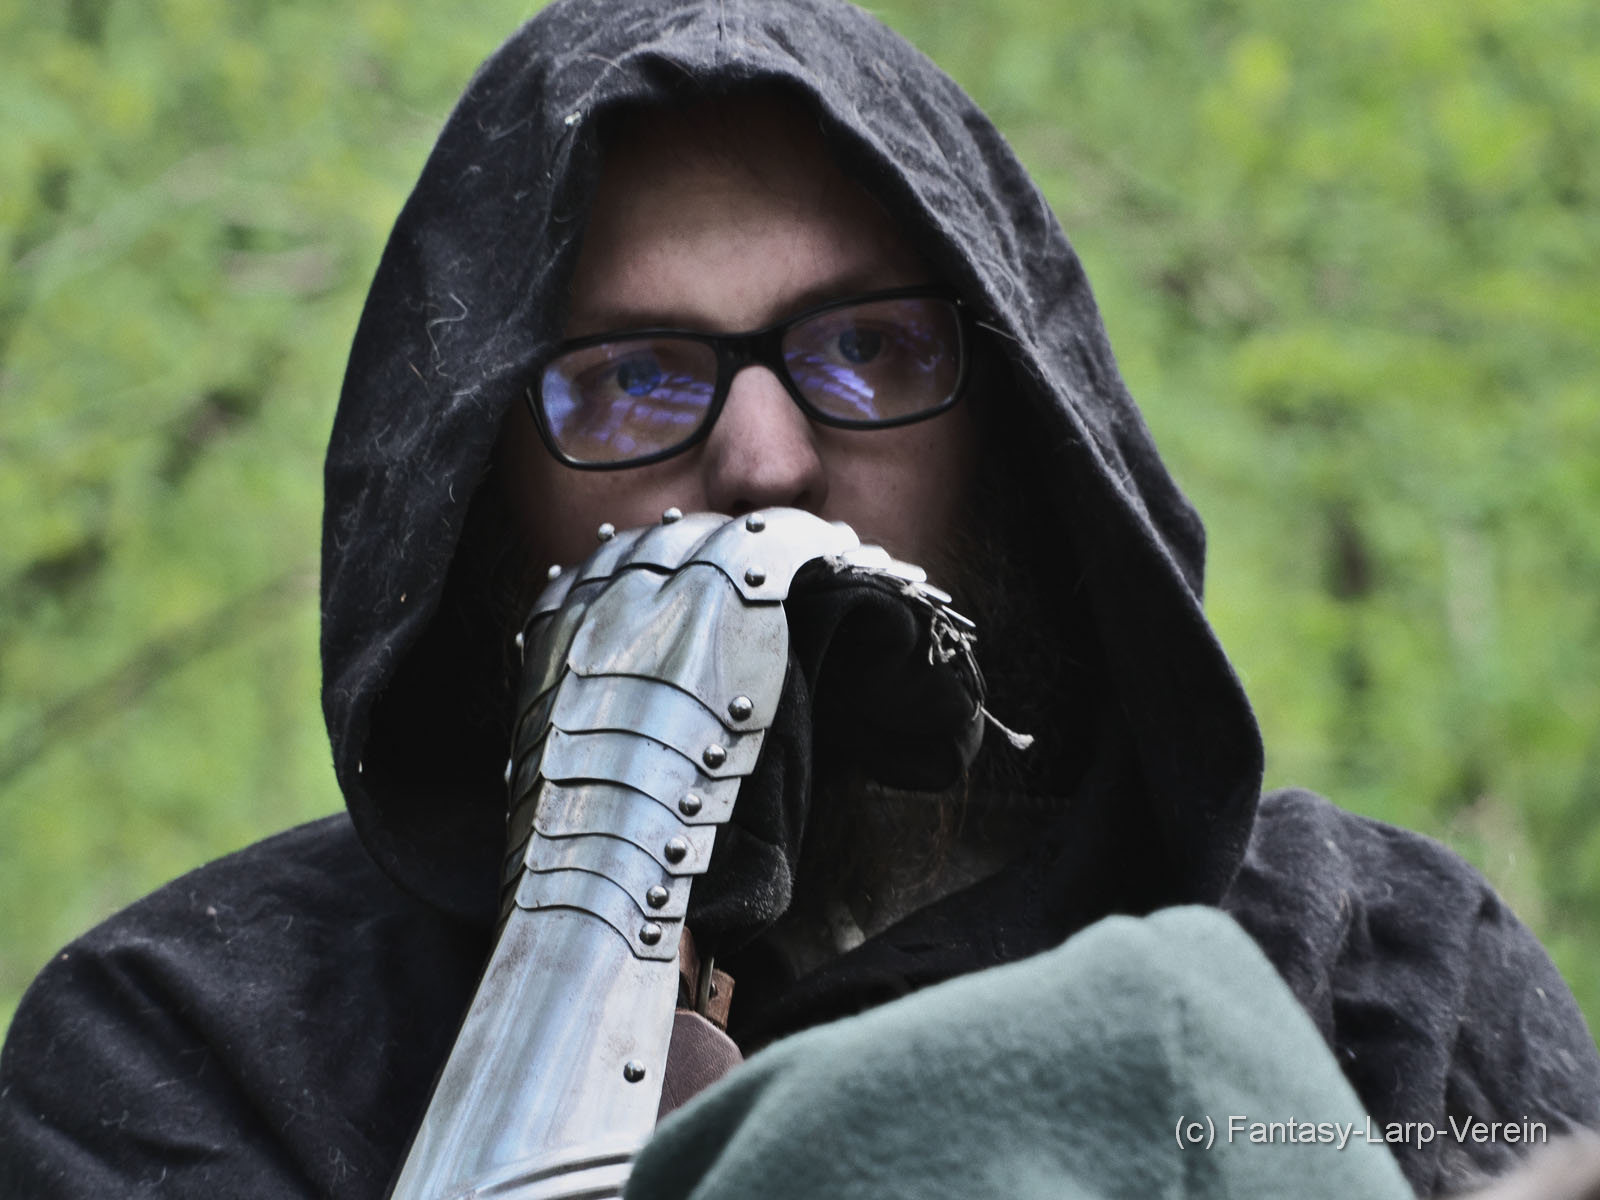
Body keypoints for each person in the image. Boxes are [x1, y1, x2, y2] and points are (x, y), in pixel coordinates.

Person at [1, 0, 1596, 1196]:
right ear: (485, 489)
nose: (764, 458)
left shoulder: (1375, 972)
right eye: (633, 378)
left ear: (1010, 428)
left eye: (870, 350)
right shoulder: (198, 1042)